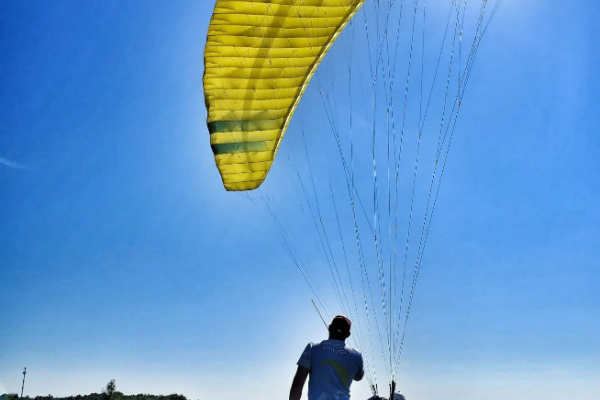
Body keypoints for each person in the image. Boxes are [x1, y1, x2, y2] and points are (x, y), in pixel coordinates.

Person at [289, 315, 364, 400]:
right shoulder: (357, 355)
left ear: (329, 328)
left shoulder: (312, 347)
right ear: (348, 334)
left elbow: (298, 383)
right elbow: (358, 377)